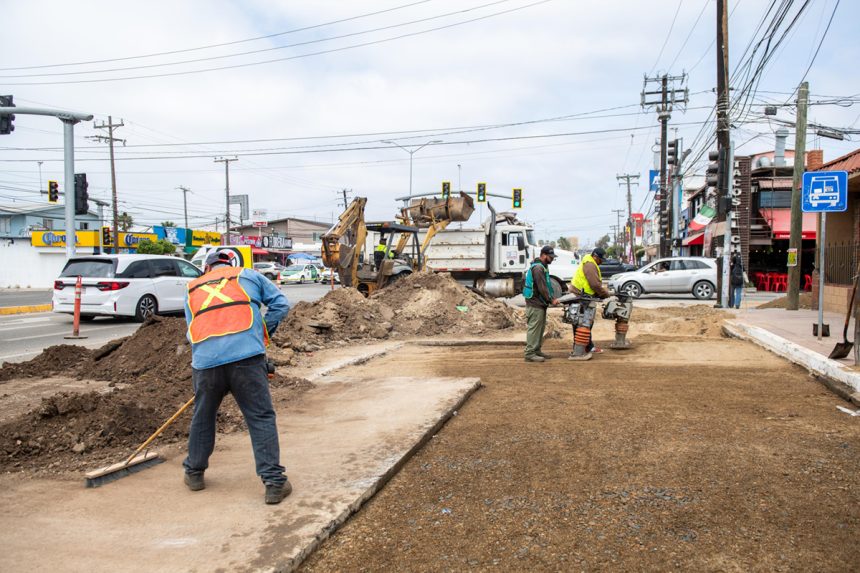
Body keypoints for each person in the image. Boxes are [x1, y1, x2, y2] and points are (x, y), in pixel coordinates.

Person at [183, 250, 292, 505]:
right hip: (247, 358)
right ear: (230, 264)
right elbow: (281, 305)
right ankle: (274, 483)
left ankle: (194, 473)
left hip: (206, 362)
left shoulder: (192, 288)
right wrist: (264, 333)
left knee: (203, 416)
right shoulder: (249, 275)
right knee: (260, 416)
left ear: (206, 269)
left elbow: (191, 329)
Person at [569, 247, 611, 361]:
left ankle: (587, 346)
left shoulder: (590, 262)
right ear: (595, 256)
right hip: (581, 296)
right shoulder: (590, 264)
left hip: (585, 295)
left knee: (586, 322)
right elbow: (594, 284)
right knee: (582, 323)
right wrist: (604, 293)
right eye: (601, 259)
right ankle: (579, 349)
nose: (601, 262)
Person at [523, 245, 559, 362]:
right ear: (543, 255)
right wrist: (551, 300)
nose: (552, 259)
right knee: (534, 329)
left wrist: (550, 298)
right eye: (550, 257)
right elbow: (542, 288)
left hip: (539, 303)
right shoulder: (538, 268)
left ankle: (536, 350)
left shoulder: (542, 267)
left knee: (539, 328)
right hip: (535, 303)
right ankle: (530, 353)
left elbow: (546, 287)